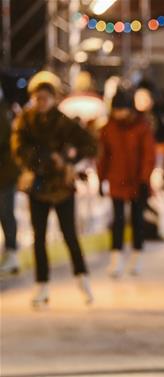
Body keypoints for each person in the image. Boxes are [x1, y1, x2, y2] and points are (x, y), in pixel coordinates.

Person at [11, 71, 97, 307]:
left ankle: (83, 279)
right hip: (38, 185)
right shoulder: (26, 121)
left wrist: (71, 161)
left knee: (70, 235)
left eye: (45, 98)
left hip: (61, 187)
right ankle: (42, 284)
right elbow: (19, 150)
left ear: (53, 98)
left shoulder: (63, 122)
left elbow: (89, 144)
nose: (41, 103)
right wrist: (43, 160)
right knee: (39, 238)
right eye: (37, 98)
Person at [97, 89, 156, 277]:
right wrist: (101, 179)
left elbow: (148, 155)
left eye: (121, 109)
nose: (118, 113)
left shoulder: (142, 127)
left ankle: (136, 257)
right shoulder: (108, 128)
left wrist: (145, 179)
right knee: (118, 220)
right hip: (117, 179)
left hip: (137, 180)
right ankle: (116, 259)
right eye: (116, 110)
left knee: (137, 220)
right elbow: (103, 156)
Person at [0, 88, 19, 276]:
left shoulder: (3, 112)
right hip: (6, 173)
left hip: (5, 174)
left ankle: (12, 252)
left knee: (6, 213)